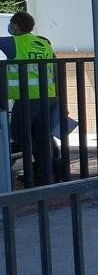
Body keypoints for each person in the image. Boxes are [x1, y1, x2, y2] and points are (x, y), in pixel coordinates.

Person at [0, 11, 60, 186]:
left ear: (17, 25)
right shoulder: (44, 43)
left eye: (12, 24)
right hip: (48, 96)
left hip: (27, 98)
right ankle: (45, 173)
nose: (10, 27)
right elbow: (55, 67)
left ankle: (37, 171)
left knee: (20, 135)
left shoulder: (13, 42)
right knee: (42, 135)